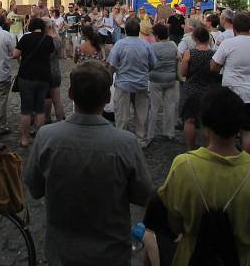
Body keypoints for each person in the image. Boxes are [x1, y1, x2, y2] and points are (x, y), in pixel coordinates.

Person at [24, 62, 153, 265]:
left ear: (70, 93)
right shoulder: (125, 143)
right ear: (108, 97)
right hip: (111, 251)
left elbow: (34, 187)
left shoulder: (47, 137)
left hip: (62, 250)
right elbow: (144, 194)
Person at [160, 87, 250, 266]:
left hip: (192, 255)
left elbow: (174, 223)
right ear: (239, 127)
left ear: (205, 127)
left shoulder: (183, 165)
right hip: (242, 257)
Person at [211, 13, 250, 151]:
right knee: (247, 130)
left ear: (234, 28)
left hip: (231, 92)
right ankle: (245, 158)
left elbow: (214, 66)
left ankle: (229, 155)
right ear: (249, 26)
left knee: (228, 129)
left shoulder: (228, 43)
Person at [108, 17, 157, 148]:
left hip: (123, 84)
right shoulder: (146, 45)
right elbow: (153, 64)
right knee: (141, 114)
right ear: (138, 30)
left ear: (126, 30)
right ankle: (141, 140)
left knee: (122, 115)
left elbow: (112, 65)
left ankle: (121, 140)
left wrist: (109, 77)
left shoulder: (119, 44)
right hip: (141, 83)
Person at [14, 17, 55, 147]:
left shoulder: (25, 38)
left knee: (26, 109)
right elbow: (51, 53)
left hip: (27, 76)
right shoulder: (48, 40)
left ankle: (25, 138)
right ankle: (39, 137)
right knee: (40, 109)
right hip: (43, 76)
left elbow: (15, 54)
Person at [179, 26, 218, 150]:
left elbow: (183, 73)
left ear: (195, 38)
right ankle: (208, 148)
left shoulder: (189, 53)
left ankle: (190, 147)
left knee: (189, 120)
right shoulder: (213, 54)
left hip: (191, 88)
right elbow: (216, 72)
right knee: (206, 122)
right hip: (207, 89)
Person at [149, 23, 180, 141]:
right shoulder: (173, 45)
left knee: (154, 107)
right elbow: (178, 58)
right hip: (171, 78)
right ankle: (169, 132)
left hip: (155, 79)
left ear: (156, 36)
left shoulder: (153, 47)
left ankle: (150, 133)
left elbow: (149, 63)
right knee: (170, 106)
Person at [44, 18, 66, 124]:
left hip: (47, 69)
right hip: (56, 69)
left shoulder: (45, 39)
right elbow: (60, 55)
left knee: (46, 97)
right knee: (57, 99)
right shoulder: (57, 38)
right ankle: (60, 121)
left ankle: (46, 118)